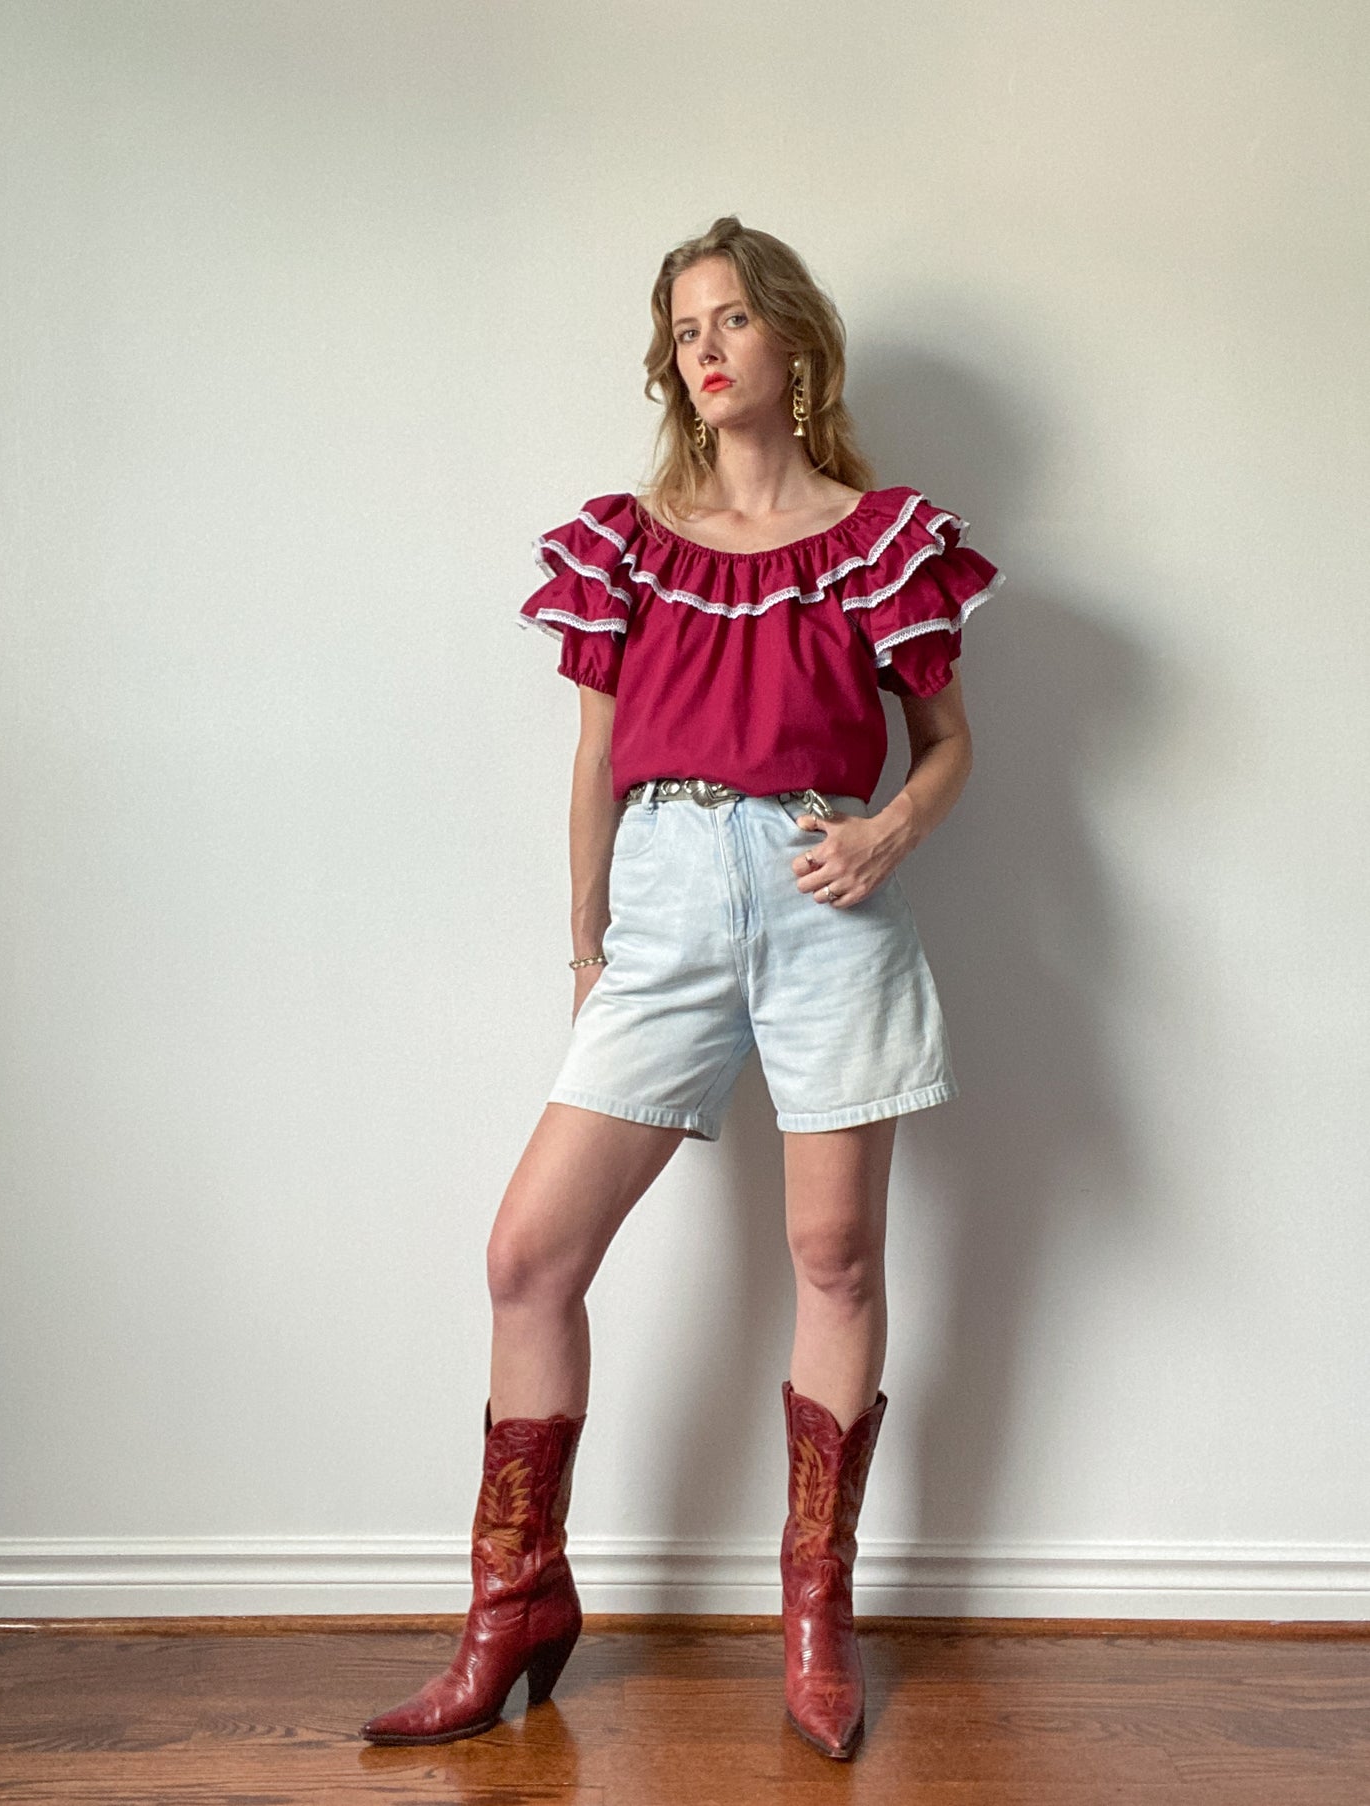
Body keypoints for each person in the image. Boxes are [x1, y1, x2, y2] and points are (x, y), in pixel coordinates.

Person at [360, 215, 1005, 1762]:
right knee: (530, 1250)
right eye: (683, 330)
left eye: (729, 319)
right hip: (657, 901)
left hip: (818, 897)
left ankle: (813, 1614)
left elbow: (947, 744)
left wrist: (888, 834)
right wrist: (589, 948)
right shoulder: (625, 541)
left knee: (832, 1253)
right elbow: (593, 760)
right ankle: (510, 1602)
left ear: (792, 340)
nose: (703, 348)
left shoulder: (881, 538)